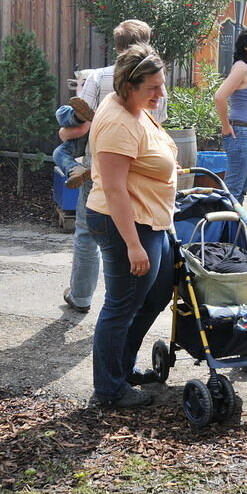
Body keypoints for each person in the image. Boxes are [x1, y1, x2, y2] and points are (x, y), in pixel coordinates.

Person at [86, 43, 176, 408]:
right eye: (152, 88)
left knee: (156, 293)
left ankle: (121, 369)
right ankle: (108, 390)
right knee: (121, 306)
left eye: (162, 84)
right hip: (126, 224)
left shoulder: (136, 107)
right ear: (128, 86)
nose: (161, 93)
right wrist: (133, 246)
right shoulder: (117, 123)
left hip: (151, 220)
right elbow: (114, 188)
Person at [56, 19, 154, 314]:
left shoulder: (98, 78)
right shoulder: (154, 78)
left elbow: (81, 121)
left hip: (100, 161)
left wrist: (67, 131)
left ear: (116, 46)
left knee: (87, 232)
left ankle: (82, 297)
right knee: (135, 231)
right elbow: (156, 124)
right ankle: (127, 299)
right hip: (139, 161)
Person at [214, 28, 247, 204]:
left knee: (243, 186)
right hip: (240, 131)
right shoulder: (241, 67)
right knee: (234, 187)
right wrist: (225, 125)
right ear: (246, 45)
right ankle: (224, 228)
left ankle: (234, 227)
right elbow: (220, 96)